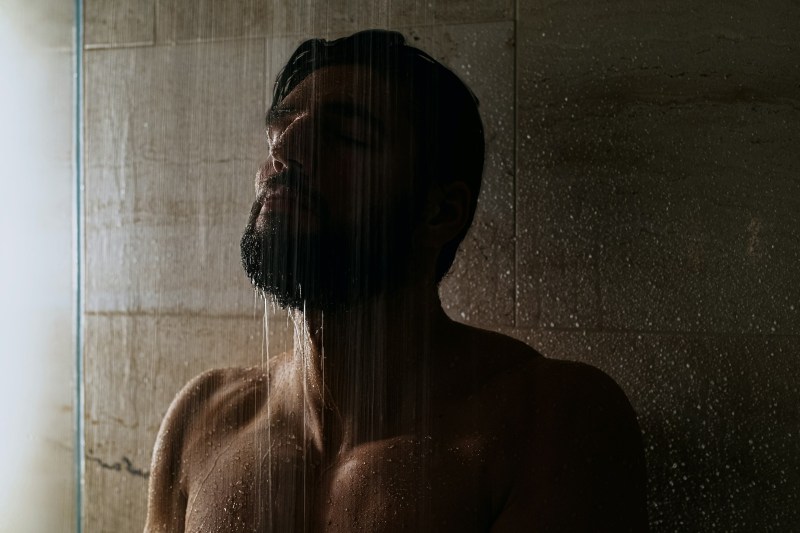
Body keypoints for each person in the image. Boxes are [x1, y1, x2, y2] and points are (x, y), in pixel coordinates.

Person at [144, 30, 648, 532]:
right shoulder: (204, 419)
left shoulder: (548, 422)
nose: (286, 149)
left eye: (345, 137)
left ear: (440, 212)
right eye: (280, 130)